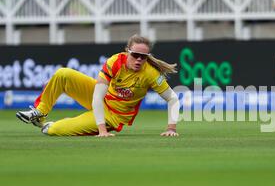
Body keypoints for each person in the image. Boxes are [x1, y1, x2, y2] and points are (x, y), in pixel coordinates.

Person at [16, 34, 180, 137]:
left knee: (52, 131)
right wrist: (102, 131)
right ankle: (40, 112)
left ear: (147, 57)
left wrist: (171, 128)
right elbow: (97, 96)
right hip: (102, 100)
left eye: (143, 57)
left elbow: (173, 99)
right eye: (135, 55)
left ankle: (51, 125)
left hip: (114, 116)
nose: (138, 60)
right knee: (63, 74)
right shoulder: (115, 61)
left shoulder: (150, 73)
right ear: (127, 51)